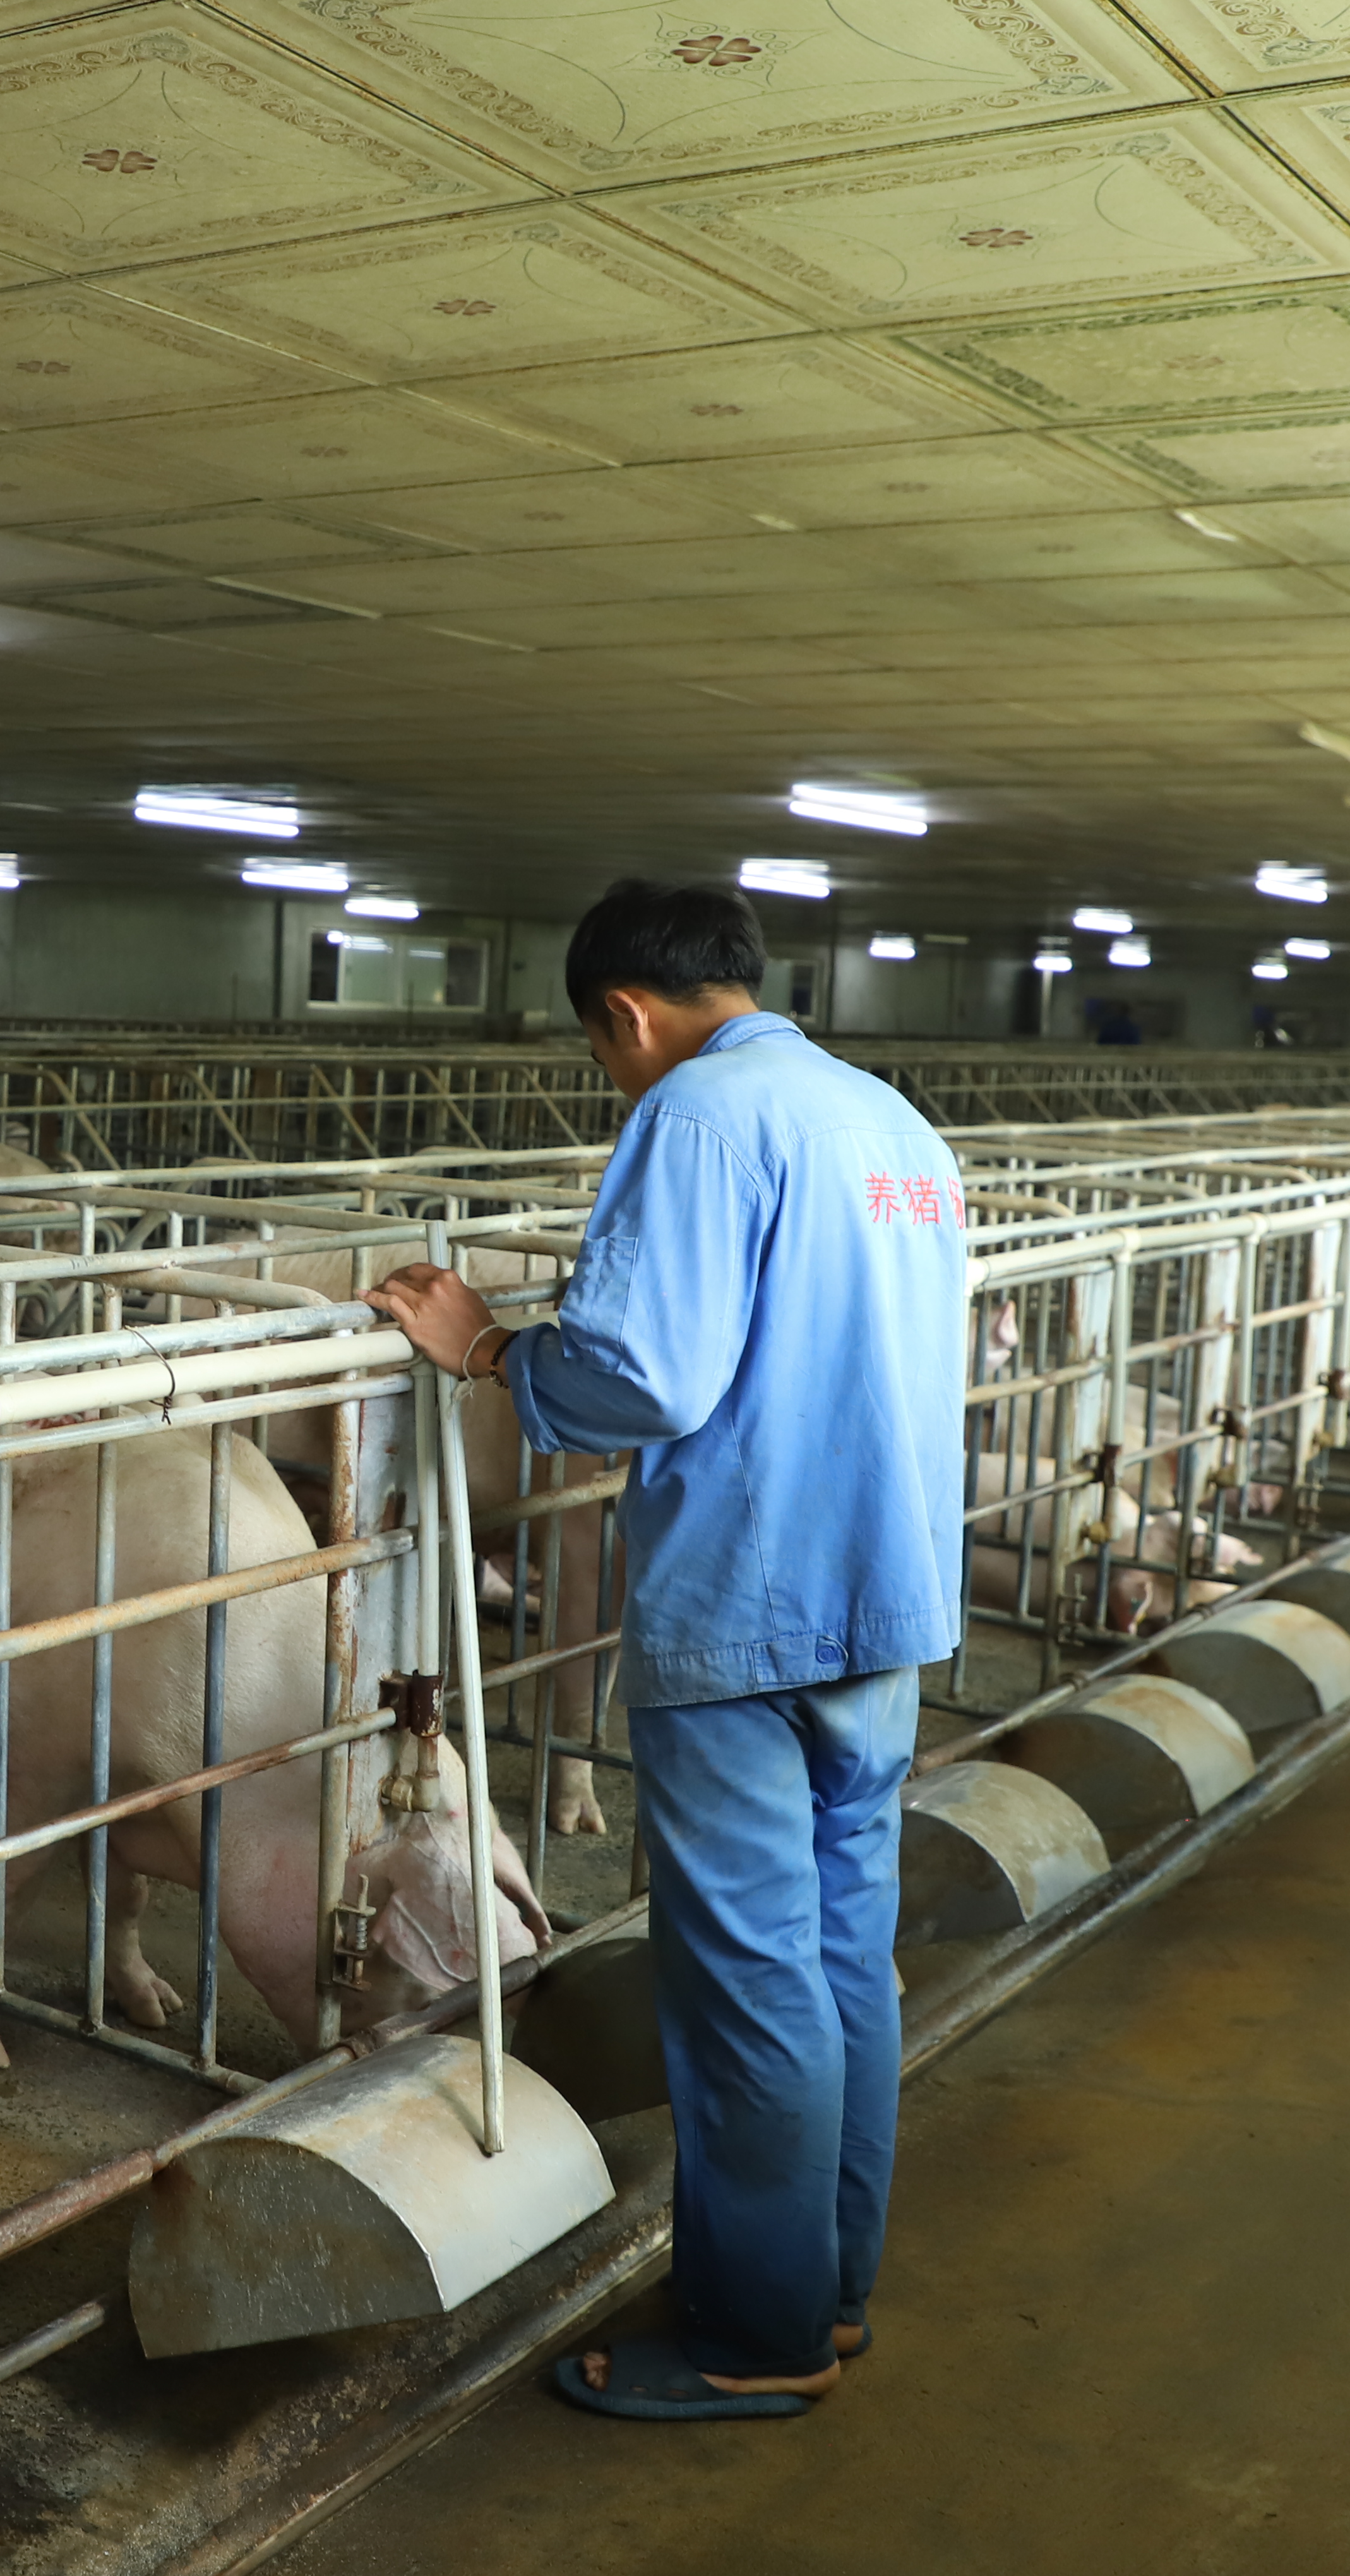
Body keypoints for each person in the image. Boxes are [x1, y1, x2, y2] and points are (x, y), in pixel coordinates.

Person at [364, 880, 968, 2421]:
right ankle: (823, 2294)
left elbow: (644, 1369)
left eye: (600, 1049)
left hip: (753, 1595)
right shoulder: (894, 1125)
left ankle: (750, 2338)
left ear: (627, 1015)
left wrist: (491, 1347)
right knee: (843, 1954)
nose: (613, 1075)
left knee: (748, 1974)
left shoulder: (696, 1118)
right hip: (882, 1593)